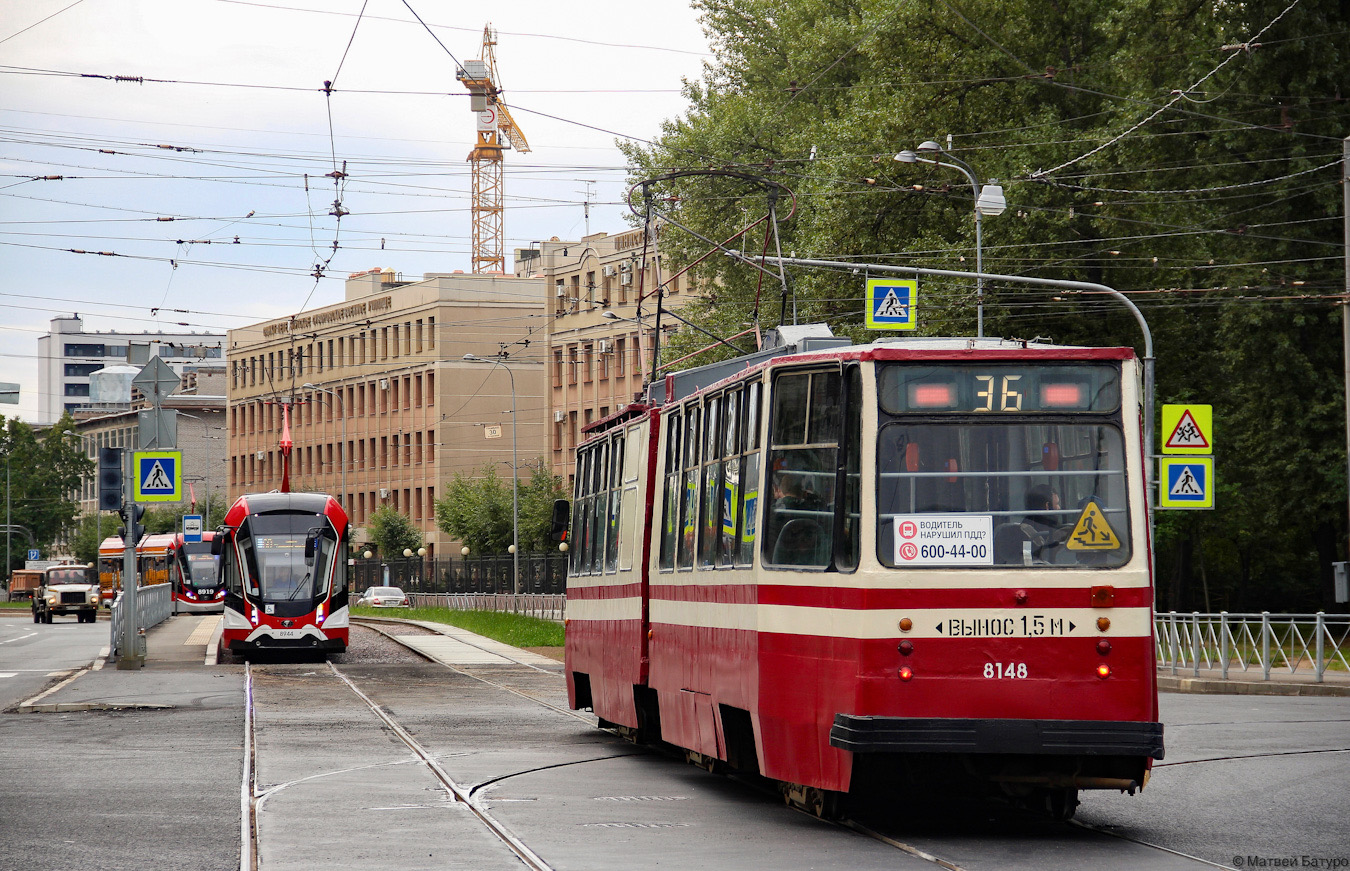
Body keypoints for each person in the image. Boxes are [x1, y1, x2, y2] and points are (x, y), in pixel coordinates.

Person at [1020, 484, 1069, 561]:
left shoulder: (1026, 524)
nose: (1059, 508)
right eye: (1056, 504)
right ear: (1047, 506)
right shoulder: (1051, 529)